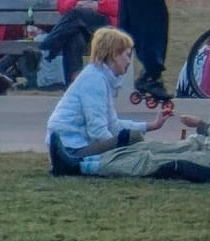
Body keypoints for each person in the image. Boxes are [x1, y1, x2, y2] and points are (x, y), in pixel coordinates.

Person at [52, 35, 210, 183]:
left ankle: (80, 166)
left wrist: (202, 126)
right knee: (150, 147)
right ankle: (84, 162)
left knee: (150, 159)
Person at [44, 27, 169, 170]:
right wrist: (117, 150)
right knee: (133, 139)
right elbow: (97, 131)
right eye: (127, 55)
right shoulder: (94, 80)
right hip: (71, 149)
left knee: (134, 140)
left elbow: (113, 125)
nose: (129, 61)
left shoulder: (99, 77)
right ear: (115, 55)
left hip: (75, 146)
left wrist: (151, 125)